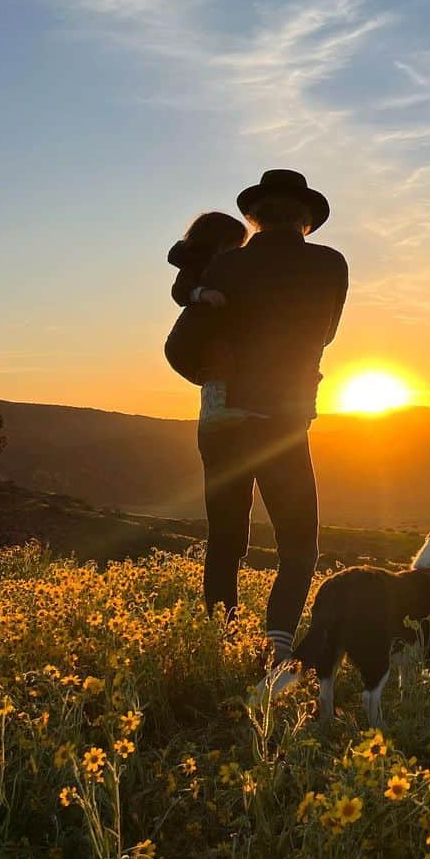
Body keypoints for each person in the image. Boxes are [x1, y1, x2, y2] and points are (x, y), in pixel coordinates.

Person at [165, 169, 348, 665]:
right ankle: (276, 644)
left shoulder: (224, 268)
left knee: (225, 540)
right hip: (282, 421)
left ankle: (219, 643)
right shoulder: (330, 264)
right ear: (306, 217)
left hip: (222, 422)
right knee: (298, 547)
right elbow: (327, 334)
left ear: (255, 216)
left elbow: (177, 347)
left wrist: (213, 379)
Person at [166, 212, 249, 429]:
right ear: (218, 242)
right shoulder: (196, 266)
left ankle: (216, 407)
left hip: (202, 336)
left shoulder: (218, 266)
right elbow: (179, 292)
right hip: (194, 339)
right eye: (234, 245)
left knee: (222, 360)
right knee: (219, 360)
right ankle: (213, 409)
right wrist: (202, 294)